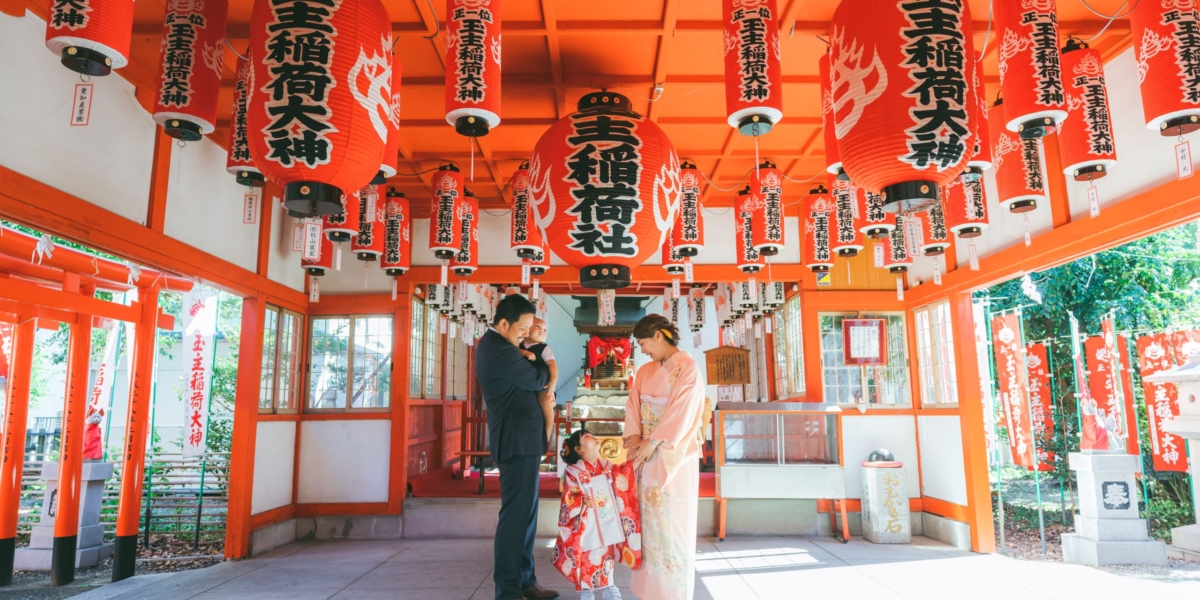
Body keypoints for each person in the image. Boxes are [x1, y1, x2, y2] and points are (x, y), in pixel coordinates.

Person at [475, 294, 559, 600]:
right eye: (522, 328)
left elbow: (537, 378)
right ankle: (508, 589)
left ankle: (525, 581)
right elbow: (540, 379)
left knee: (526, 515)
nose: (526, 333)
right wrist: (542, 372)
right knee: (515, 517)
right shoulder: (499, 350)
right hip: (515, 440)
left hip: (524, 440)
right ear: (503, 323)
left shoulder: (509, 348)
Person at [623, 314, 706, 600]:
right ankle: (648, 591)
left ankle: (672, 593)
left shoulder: (688, 368)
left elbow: (682, 412)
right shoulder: (645, 371)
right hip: (644, 453)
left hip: (672, 455)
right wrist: (635, 439)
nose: (643, 349)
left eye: (644, 342)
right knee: (646, 524)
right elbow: (633, 406)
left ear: (659, 335)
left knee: (671, 525)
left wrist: (654, 441)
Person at [552, 429, 641, 600]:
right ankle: (586, 589)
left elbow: (622, 474)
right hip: (587, 520)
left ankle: (608, 585)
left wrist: (636, 461)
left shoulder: (606, 465)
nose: (592, 436)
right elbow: (569, 496)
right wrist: (581, 501)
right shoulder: (573, 471)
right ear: (579, 449)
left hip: (606, 516)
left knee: (606, 551)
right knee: (588, 552)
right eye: (586, 437)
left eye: (591, 434)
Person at [522, 318, 558, 444]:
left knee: (547, 401)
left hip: (542, 385)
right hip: (524, 386)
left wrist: (552, 384)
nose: (542, 331)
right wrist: (523, 352)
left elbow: (552, 365)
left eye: (545, 330)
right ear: (527, 328)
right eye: (537, 326)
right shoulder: (518, 343)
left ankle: (547, 434)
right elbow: (511, 351)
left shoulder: (544, 348)